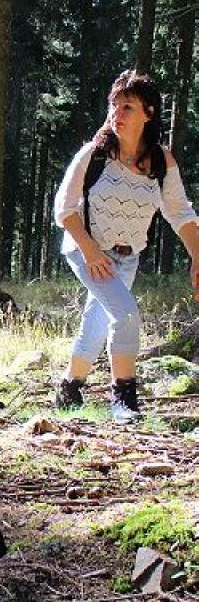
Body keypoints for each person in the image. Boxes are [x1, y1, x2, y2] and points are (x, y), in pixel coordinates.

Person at [53, 69, 199, 423]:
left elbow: (180, 213)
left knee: (98, 324)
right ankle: (124, 399)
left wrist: (198, 257)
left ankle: (69, 387)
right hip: (86, 251)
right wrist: (90, 252)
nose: (116, 113)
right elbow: (64, 209)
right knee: (127, 314)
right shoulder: (94, 154)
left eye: (127, 107)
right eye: (114, 105)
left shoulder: (162, 162)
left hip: (127, 257)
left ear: (148, 113)